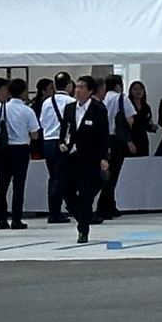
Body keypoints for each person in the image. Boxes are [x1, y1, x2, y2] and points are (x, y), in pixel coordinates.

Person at [58, 76, 111, 244]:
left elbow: (103, 134)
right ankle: (82, 216)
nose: (77, 90)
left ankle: (83, 229)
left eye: (81, 87)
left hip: (90, 158)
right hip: (71, 156)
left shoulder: (98, 109)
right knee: (66, 190)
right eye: (77, 86)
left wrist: (103, 157)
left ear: (90, 91)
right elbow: (64, 129)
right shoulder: (69, 108)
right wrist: (62, 143)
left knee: (85, 193)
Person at [0, 79, 36, 230]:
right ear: (23, 92)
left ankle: (2, 218)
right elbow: (35, 134)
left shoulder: (0, 108)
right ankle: (16, 218)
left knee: (2, 185)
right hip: (21, 149)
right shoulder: (27, 111)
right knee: (18, 186)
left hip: (4, 150)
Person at [97, 74, 135, 220]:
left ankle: (110, 205)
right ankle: (103, 206)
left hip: (104, 138)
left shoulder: (102, 99)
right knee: (113, 174)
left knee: (108, 172)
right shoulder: (121, 98)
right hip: (118, 139)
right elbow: (130, 119)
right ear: (118, 85)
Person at [38, 74, 74, 224]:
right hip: (62, 142)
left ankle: (54, 209)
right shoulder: (71, 102)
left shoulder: (47, 102)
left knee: (53, 177)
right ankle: (55, 212)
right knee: (61, 178)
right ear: (69, 85)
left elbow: (42, 122)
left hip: (47, 142)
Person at [127, 81, 156, 158]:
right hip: (131, 138)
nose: (138, 91)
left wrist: (152, 127)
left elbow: (147, 123)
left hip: (143, 139)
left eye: (140, 89)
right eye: (135, 89)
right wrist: (129, 142)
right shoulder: (128, 106)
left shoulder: (146, 107)